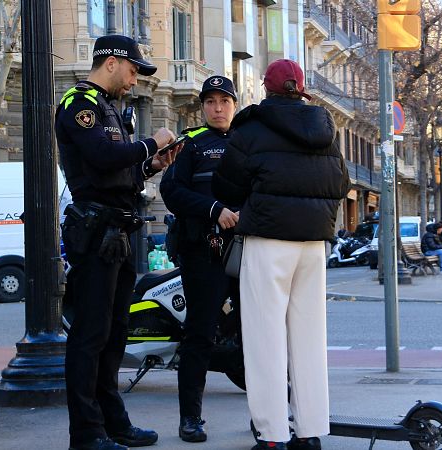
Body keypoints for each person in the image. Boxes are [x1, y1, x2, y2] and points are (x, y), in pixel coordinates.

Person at [212, 58, 350, 450]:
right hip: (312, 245)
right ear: (300, 89)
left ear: (267, 90)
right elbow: (341, 182)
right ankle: (310, 432)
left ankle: (272, 435)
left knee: (264, 341)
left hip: (268, 240)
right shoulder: (324, 127)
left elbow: (228, 185)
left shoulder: (251, 128)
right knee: (308, 339)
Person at [56, 34, 181, 450]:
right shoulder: (80, 103)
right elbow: (103, 159)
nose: (134, 81)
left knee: (114, 334)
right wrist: (152, 142)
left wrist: (150, 164)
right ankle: (86, 434)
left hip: (119, 233)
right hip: (95, 234)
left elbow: (117, 172)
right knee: (90, 335)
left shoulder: (110, 106)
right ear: (111, 63)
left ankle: (113, 423)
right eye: (132, 71)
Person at [159, 75, 240, 443]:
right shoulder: (190, 143)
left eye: (224, 101)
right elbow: (171, 189)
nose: (217, 108)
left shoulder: (249, 140)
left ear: (234, 105)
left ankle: (269, 417)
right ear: (203, 107)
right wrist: (213, 209)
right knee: (199, 334)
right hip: (204, 252)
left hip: (247, 251)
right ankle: (190, 418)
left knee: (258, 334)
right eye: (210, 102)